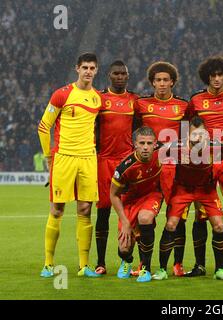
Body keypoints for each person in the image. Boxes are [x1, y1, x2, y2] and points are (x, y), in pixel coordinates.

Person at [38, 53, 102, 278]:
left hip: (88, 159)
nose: (88, 71)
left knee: (85, 210)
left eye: (92, 68)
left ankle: (84, 266)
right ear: (77, 69)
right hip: (64, 157)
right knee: (57, 210)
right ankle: (48, 263)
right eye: (84, 67)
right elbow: (44, 126)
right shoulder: (61, 94)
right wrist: (48, 157)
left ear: (96, 70)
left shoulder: (97, 98)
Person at [152, 116, 223, 280]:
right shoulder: (176, 147)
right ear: (188, 135)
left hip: (206, 191)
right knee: (171, 224)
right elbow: (155, 151)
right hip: (183, 190)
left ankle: (220, 270)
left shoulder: (215, 147)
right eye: (194, 134)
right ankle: (161, 270)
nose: (198, 138)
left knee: (218, 226)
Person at [185, 56, 223, 277]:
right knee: (201, 214)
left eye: (220, 75)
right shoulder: (197, 100)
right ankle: (199, 265)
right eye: (213, 76)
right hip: (205, 162)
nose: (217, 79)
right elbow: (189, 126)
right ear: (207, 77)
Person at [134, 61, 189, 277]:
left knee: (178, 217)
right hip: (149, 171)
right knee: (145, 216)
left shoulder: (183, 106)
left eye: (166, 80)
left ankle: (178, 263)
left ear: (173, 82)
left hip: (175, 169)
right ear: (152, 82)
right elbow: (135, 133)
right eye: (158, 80)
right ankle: (143, 262)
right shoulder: (142, 105)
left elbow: (187, 136)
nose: (162, 84)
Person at [95, 60, 140, 275]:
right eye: (116, 73)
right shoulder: (99, 99)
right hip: (103, 161)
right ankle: (100, 262)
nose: (120, 77)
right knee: (103, 212)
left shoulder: (135, 100)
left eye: (123, 73)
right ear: (109, 75)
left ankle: (127, 259)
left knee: (129, 214)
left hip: (126, 162)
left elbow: (141, 129)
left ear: (128, 76)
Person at [110, 126, 163, 282]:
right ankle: (126, 261)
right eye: (142, 143)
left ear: (155, 144)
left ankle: (145, 268)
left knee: (145, 218)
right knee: (124, 247)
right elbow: (113, 195)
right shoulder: (125, 167)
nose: (146, 147)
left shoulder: (164, 151)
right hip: (129, 200)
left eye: (149, 143)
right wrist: (125, 222)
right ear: (135, 145)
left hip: (152, 195)